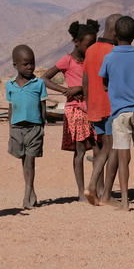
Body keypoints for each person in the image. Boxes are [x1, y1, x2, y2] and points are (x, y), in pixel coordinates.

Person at [99, 16, 134, 211]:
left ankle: (124, 201)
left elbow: (104, 82)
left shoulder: (109, 57)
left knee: (124, 158)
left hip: (120, 113)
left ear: (115, 35)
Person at [43, 21, 97, 202]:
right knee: (80, 150)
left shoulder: (93, 59)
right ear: (76, 42)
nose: (91, 48)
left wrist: (79, 88)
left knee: (98, 148)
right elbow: (45, 78)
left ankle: (95, 188)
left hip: (93, 108)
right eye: (89, 45)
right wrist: (65, 90)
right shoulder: (67, 60)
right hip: (76, 110)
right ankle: (81, 192)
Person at [82, 14, 121, 206]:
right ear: (115, 31)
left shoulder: (90, 50)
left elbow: (86, 80)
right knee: (113, 147)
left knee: (104, 148)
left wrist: (89, 106)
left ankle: (91, 186)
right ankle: (106, 194)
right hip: (110, 105)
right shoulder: (113, 52)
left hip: (94, 106)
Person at [6, 44, 48, 209]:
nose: (30, 67)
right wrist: (10, 128)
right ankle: (32, 192)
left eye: (32, 63)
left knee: (30, 161)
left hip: (34, 128)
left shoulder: (39, 83)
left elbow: (42, 107)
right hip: (17, 129)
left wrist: (42, 127)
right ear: (15, 65)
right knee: (24, 162)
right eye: (25, 64)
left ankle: (26, 195)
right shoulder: (10, 85)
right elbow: (11, 108)